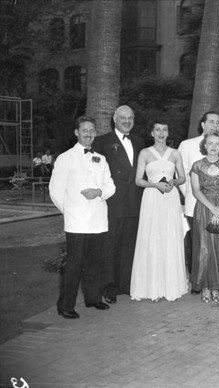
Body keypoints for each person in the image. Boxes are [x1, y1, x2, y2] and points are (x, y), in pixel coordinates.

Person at [49, 116, 116, 319]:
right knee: (74, 264)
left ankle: (93, 298)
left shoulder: (101, 159)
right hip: (77, 222)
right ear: (77, 132)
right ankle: (66, 305)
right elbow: (56, 190)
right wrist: (70, 211)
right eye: (84, 130)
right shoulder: (65, 158)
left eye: (92, 130)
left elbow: (110, 186)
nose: (89, 134)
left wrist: (99, 192)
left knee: (96, 262)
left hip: (98, 220)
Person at [130, 119, 188, 302]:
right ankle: (153, 287)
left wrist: (173, 182)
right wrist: (155, 184)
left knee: (170, 236)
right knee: (152, 238)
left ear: (168, 133)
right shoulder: (145, 153)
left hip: (170, 197)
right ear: (152, 133)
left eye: (165, 130)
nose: (161, 133)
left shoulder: (175, 153)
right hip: (152, 197)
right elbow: (138, 180)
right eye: (158, 130)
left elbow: (182, 178)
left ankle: (171, 285)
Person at [93, 105, 145, 304]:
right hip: (113, 203)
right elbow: (96, 172)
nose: (127, 121)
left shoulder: (140, 142)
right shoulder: (102, 142)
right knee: (110, 246)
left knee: (130, 246)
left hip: (136, 201)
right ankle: (109, 287)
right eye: (123, 117)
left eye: (130, 118)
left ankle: (126, 284)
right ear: (114, 118)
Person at [178, 111, 219, 282]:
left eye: (218, 122)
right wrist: (188, 194)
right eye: (211, 122)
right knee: (198, 243)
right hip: (196, 201)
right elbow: (181, 173)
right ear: (202, 124)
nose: (214, 125)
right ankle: (199, 278)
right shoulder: (186, 145)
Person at [190, 131, 219, 303]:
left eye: (217, 144)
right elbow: (196, 191)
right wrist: (212, 208)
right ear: (204, 145)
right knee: (204, 248)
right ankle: (204, 285)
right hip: (204, 208)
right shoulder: (197, 166)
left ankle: (216, 285)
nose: (213, 147)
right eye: (210, 143)